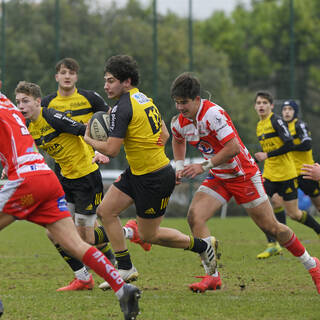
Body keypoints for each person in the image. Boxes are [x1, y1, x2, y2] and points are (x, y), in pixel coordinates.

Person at [170, 72, 320, 293]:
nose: (180, 107)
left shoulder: (213, 114)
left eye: (184, 103)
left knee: (272, 227)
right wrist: (180, 166)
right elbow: (177, 138)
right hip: (219, 176)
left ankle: (312, 265)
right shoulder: (180, 121)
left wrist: (203, 166)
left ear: (197, 98)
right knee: (195, 217)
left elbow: (233, 148)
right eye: (177, 103)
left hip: (243, 176)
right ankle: (212, 276)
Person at [0, 91, 140, 320]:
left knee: (83, 236)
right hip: (47, 178)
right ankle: (123, 289)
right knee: (76, 243)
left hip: (27, 180)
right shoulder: (5, 102)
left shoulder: (43, 114)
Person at [83, 55, 218, 291]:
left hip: (154, 178)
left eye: (111, 80)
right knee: (106, 211)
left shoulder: (122, 107)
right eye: (105, 80)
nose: (106, 86)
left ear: (126, 81)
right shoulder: (144, 98)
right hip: (138, 172)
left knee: (149, 236)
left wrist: (89, 140)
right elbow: (164, 134)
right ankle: (125, 267)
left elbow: (112, 150)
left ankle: (202, 246)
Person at [254, 93, 320, 259]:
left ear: (271, 106)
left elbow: (291, 144)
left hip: (291, 174)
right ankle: (273, 243)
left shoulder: (277, 121)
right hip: (270, 174)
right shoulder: (259, 126)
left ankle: (317, 229)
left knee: (295, 214)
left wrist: (267, 155)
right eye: (258, 103)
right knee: (260, 203)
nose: (261, 105)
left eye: (264, 102)